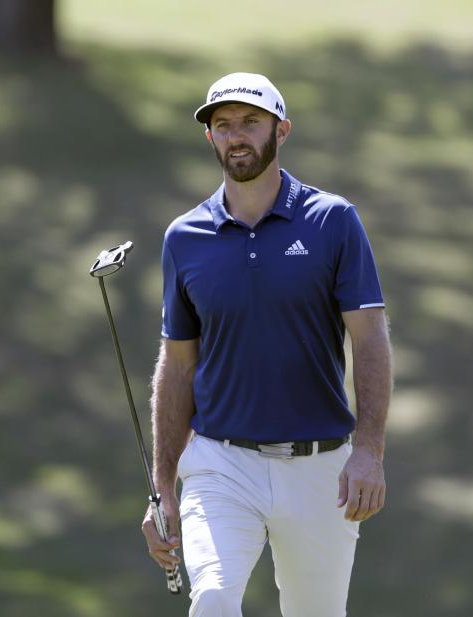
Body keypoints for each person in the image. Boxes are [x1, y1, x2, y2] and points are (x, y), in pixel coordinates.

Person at [141, 72, 392, 617]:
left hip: (320, 467)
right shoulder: (185, 237)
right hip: (220, 463)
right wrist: (163, 488)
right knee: (212, 599)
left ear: (282, 130)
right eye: (223, 125)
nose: (237, 136)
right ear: (210, 138)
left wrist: (369, 450)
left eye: (251, 123)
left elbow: (369, 339)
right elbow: (178, 365)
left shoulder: (332, 220)